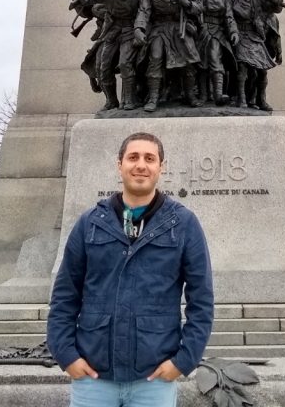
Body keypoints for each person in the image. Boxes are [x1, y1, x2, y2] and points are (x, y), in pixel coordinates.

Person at [48, 132, 213, 407]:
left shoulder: (184, 224)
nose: (141, 165)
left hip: (154, 379)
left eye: (150, 158)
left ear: (162, 167)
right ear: (119, 164)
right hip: (93, 376)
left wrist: (183, 361)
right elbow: (65, 295)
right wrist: (66, 355)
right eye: (133, 157)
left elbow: (202, 300)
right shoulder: (89, 223)